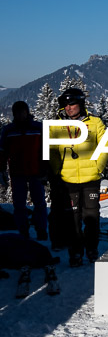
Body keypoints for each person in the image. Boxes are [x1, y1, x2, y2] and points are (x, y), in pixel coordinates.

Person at [48, 88, 108, 266]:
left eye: (72, 103)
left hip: (91, 177)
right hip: (68, 180)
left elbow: (105, 144)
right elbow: (52, 151)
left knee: (91, 217)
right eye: (65, 104)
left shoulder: (95, 122)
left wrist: (98, 167)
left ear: (81, 103)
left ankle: (91, 249)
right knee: (72, 220)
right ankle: (75, 252)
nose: (68, 107)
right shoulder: (56, 125)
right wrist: (56, 172)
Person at [0, 101, 48, 240]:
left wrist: (45, 169)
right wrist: (2, 170)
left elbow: (46, 150)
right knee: (19, 204)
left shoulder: (38, 128)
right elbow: (3, 152)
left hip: (36, 172)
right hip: (17, 173)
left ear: (27, 112)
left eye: (23, 112)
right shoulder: (8, 130)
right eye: (17, 112)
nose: (20, 115)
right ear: (14, 114)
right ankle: (23, 231)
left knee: (39, 203)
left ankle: (41, 230)